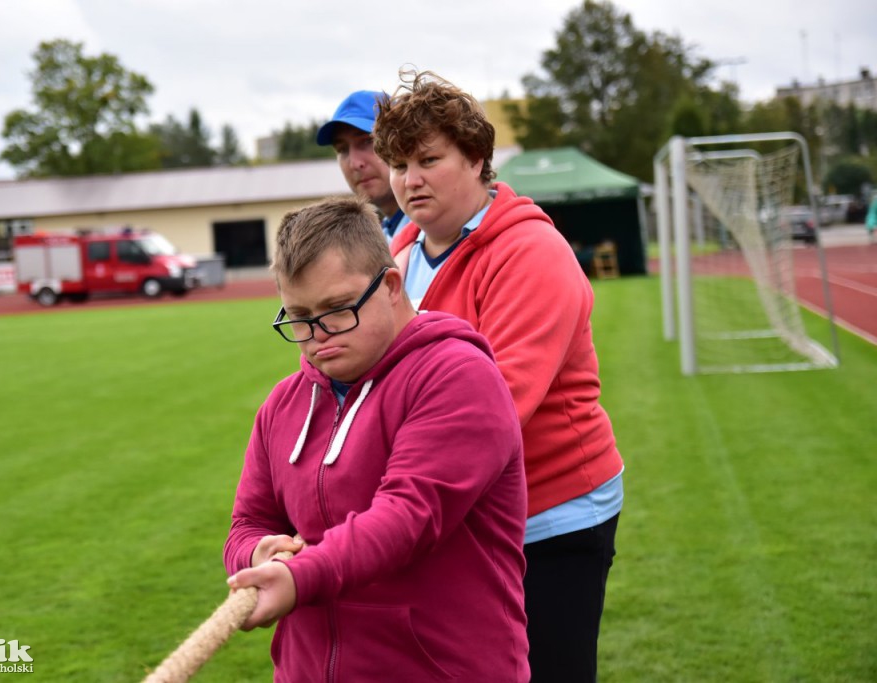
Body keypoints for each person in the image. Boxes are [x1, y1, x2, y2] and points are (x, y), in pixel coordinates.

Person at [373, 71, 625, 683]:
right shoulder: (401, 252)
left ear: (478, 158)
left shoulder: (531, 253)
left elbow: (499, 407)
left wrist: (386, 499)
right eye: (400, 165)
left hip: (554, 512)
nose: (411, 180)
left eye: (429, 159)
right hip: (460, 509)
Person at [224, 195, 529, 682]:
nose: (318, 335)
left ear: (390, 286)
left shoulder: (458, 376)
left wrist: (299, 577)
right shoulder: (283, 404)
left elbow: (408, 515)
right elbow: (248, 522)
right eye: (298, 317)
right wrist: (257, 553)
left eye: (337, 309)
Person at [316, 91, 411, 242]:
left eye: (367, 141)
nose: (354, 163)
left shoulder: (441, 234)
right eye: (342, 149)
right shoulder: (381, 239)